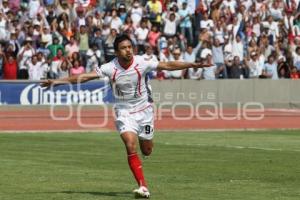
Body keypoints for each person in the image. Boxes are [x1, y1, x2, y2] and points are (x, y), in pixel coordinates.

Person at [41, 34, 210, 199]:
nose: (128, 51)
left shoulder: (142, 62)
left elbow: (168, 65)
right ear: (116, 52)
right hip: (124, 111)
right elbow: (85, 77)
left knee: (147, 150)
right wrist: (57, 82)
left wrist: (192, 64)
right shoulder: (110, 67)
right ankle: (143, 186)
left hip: (145, 110)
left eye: (130, 47)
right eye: (123, 48)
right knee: (130, 144)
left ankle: (145, 154)